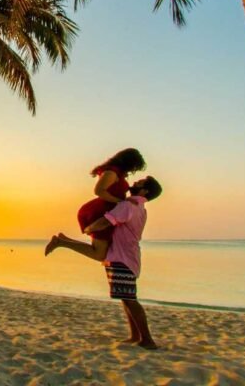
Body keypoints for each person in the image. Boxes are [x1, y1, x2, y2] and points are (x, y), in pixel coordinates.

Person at [84, 176, 163, 349]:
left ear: (145, 191)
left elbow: (106, 221)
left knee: (130, 299)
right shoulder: (139, 207)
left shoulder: (128, 206)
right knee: (126, 298)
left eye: (139, 183)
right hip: (127, 256)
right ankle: (135, 336)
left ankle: (147, 339)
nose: (134, 183)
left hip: (122, 258)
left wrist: (89, 228)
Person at [44, 148, 145, 260]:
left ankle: (63, 240)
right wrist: (121, 202)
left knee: (100, 251)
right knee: (99, 254)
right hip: (99, 212)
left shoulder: (117, 173)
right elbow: (99, 191)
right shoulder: (111, 173)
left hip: (106, 211)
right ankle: (61, 242)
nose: (133, 170)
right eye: (134, 167)